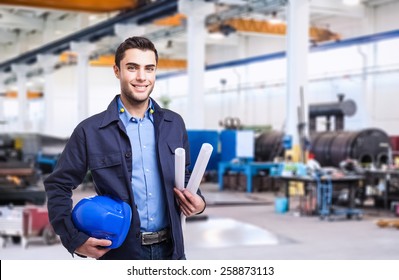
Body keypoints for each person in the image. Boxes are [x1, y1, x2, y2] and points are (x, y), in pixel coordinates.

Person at [44, 36, 206, 260]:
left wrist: (198, 201)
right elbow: (58, 185)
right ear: (117, 71)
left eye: (149, 69)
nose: (142, 77)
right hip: (121, 253)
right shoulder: (90, 131)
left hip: (172, 251)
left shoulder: (173, 123)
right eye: (132, 68)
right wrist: (73, 239)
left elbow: (184, 173)